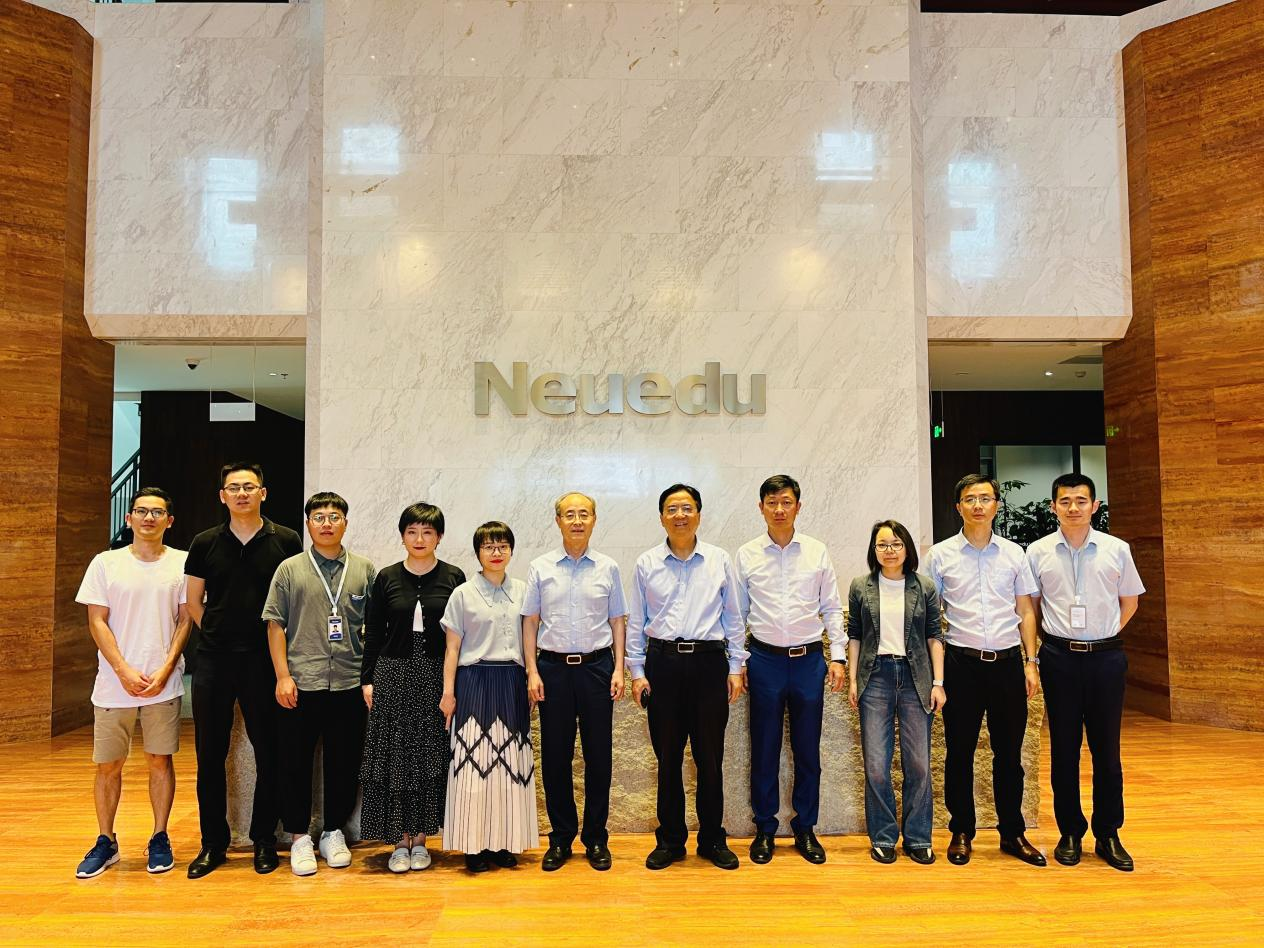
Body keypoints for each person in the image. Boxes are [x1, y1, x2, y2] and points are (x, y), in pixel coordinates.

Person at [184, 462, 303, 878]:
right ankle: (213, 843)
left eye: (249, 487)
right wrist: (217, 633)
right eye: (233, 488)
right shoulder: (204, 542)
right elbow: (193, 602)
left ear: (263, 493)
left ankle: (264, 840)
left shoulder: (286, 539)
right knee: (209, 755)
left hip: (264, 660)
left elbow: (292, 600)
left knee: (270, 753)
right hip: (213, 661)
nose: (241, 494)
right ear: (223, 496)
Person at [1026, 473, 1144, 872]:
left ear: (1095, 506)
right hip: (1058, 658)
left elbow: (1130, 602)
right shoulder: (1038, 552)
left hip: (1106, 659)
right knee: (1064, 749)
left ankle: (1108, 833)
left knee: (1106, 750)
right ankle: (1070, 832)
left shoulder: (1116, 549)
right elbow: (1033, 607)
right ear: (1053, 507)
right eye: (1065, 501)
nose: (1073, 507)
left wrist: (1103, 635)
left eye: (1081, 500)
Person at [627, 484, 748, 871]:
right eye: (672, 508)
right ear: (661, 516)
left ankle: (712, 838)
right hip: (662, 665)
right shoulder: (647, 563)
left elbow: (733, 617)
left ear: (699, 514)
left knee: (709, 758)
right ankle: (670, 840)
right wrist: (637, 673)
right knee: (668, 759)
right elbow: (636, 622)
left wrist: (736, 667)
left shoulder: (718, 559)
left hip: (709, 665)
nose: (680, 515)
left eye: (687, 508)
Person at [927, 474, 1045, 868]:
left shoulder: (1014, 554)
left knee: (1009, 754)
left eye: (985, 498)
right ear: (957, 506)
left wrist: (1031, 662)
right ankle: (961, 830)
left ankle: (1013, 832)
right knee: (959, 752)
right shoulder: (940, 555)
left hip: (1008, 664)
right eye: (969, 499)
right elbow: (931, 616)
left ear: (996, 504)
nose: (978, 505)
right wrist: (937, 676)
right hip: (961, 664)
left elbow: (1026, 610)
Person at [73, 487, 192, 878]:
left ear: (169, 521)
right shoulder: (105, 563)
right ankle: (105, 841)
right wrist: (123, 669)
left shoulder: (182, 562)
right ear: (129, 519)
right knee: (109, 764)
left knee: (160, 760)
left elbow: (185, 620)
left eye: (157, 512)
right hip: (113, 682)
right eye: (141, 511)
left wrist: (166, 667)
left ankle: (159, 836)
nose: (148, 518)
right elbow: (96, 620)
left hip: (164, 681)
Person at [263, 492, 377, 876]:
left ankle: (333, 832)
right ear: (308, 523)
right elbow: (274, 624)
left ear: (346, 522)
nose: (327, 523)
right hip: (301, 682)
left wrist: (369, 678)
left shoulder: (364, 570)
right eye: (319, 517)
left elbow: (375, 629)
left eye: (334, 516)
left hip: (348, 683)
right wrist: (282, 676)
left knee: (345, 762)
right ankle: (299, 837)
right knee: (294, 763)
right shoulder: (289, 570)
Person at [736, 474, 846, 866]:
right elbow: (737, 614)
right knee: (764, 748)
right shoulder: (747, 554)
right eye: (772, 503)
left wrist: (838, 657)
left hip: (808, 661)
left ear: (798, 506)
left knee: (807, 750)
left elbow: (831, 606)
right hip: (764, 660)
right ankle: (765, 828)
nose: (779, 509)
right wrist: (737, 662)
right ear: (761, 508)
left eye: (786, 502)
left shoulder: (816, 551)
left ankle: (805, 828)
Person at [522, 492, 627, 872]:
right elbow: (530, 622)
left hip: (597, 668)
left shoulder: (608, 567)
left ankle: (596, 838)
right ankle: (562, 838)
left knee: (599, 757)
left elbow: (618, 621)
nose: (577, 521)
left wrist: (619, 669)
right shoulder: (541, 567)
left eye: (584, 514)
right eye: (570, 514)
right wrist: (532, 671)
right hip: (553, 670)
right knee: (555, 757)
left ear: (594, 520)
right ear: (558, 521)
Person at [359, 503, 466, 874]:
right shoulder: (387, 577)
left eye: (428, 532)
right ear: (403, 535)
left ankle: (421, 840)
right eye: (412, 532)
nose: (420, 539)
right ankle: (399, 842)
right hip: (393, 675)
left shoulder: (453, 577)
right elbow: (374, 633)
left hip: (436, 676)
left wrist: (455, 686)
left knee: (427, 758)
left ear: (439, 536)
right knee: (396, 759)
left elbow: (460, 635)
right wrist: (367, 680)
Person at [441, 521, 539, 872]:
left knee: (509, 764)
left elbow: (530, 640)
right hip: (474, 680)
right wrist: (448, 692)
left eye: (502, 546)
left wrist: (531, 675)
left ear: (511, 550)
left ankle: (504, 843)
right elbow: (452, 649)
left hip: (511, 680)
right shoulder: (463, 594)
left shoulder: (524, 591)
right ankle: (473, 846)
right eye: (488, 547)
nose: (496, 553)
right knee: (473, 764)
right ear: (478, 552)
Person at [846, 519, 946, 865]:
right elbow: (855, 635)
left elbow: (934, 635)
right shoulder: (861, 586)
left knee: (918, 764)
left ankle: (918, 837)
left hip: (917, 678)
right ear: (874, 550)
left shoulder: (924, 586)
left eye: (896, 544)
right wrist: (854, 680)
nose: (889, 551)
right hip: (875, 677)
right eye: (882, 545)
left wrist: (938, 683)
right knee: (876, 764)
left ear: (907, 548)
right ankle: (884, 836)